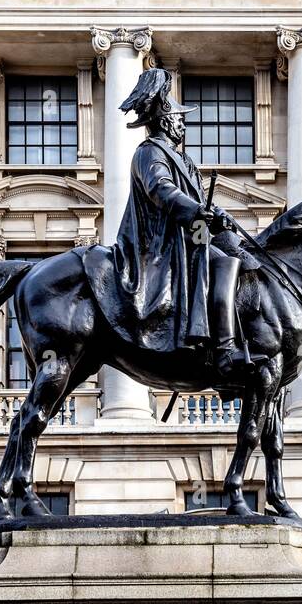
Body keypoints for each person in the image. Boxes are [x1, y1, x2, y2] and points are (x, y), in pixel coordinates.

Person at [112, 67, 260, 377]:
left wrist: (218, 215)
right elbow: (161, 189)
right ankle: (223, 349)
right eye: (180, 119)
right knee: (224, 263)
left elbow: (199, 199)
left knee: (240, 252)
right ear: (167, 121)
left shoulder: (184, 160)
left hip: (190, 234)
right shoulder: (149, 153)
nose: (183, 125)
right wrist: (196, 211)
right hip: (165, 240)